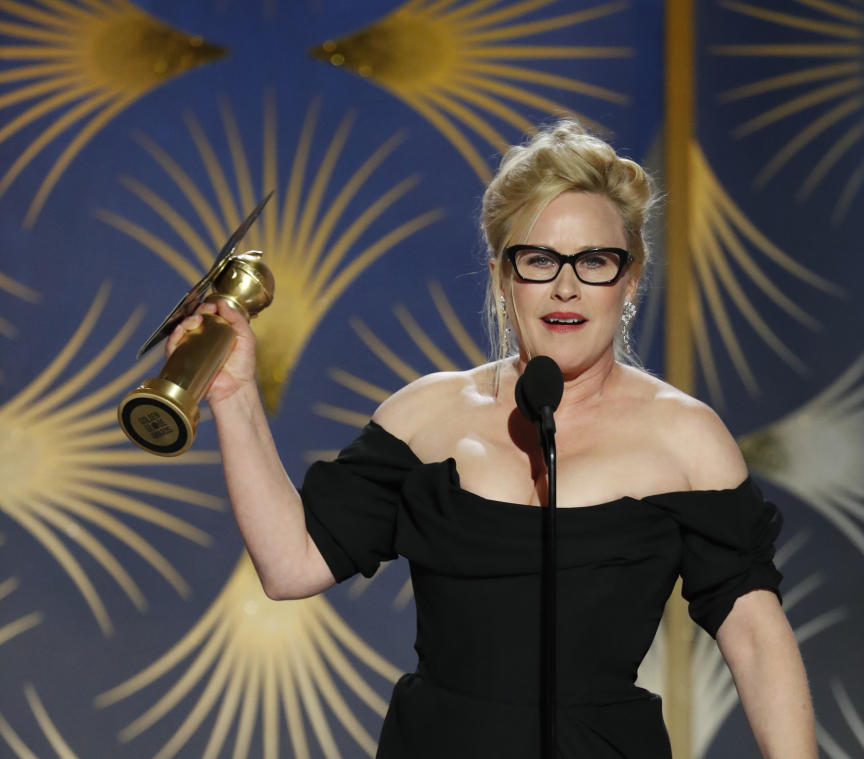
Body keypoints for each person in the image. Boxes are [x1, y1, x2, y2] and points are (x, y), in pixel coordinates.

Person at [169, 120, 816, 757]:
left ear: (630, 279)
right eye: (539, 260)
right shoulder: (428, 414)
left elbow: (756, 635)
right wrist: (235, 396)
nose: (566, 285)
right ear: (504, 279)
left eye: (593, 261)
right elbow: (291, 563)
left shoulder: (687, 439)